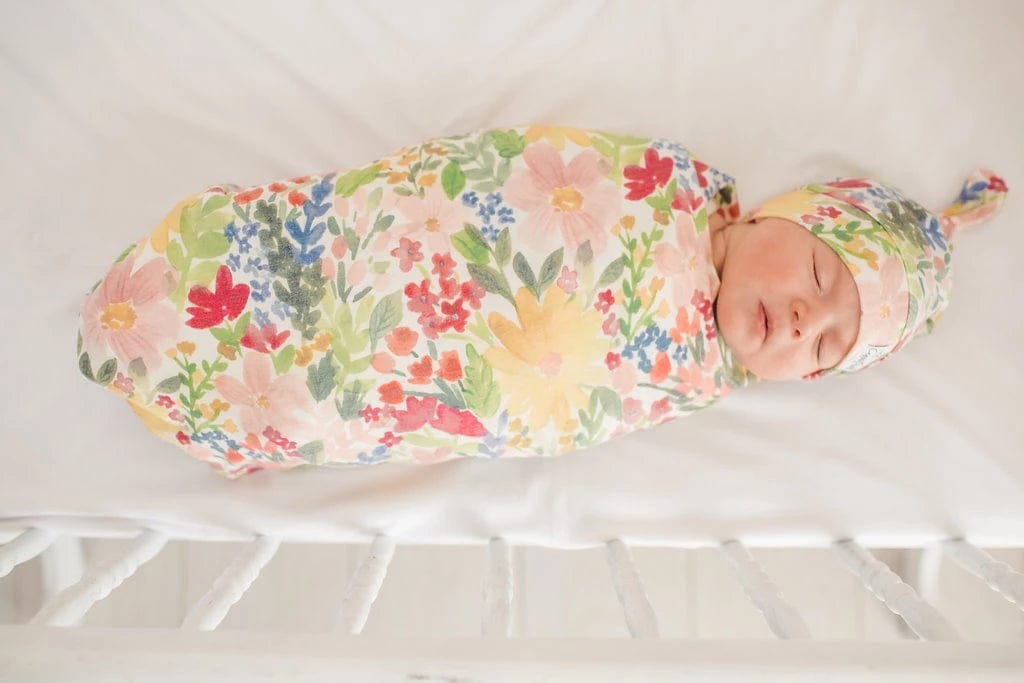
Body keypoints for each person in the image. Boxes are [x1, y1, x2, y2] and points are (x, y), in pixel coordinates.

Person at [76, 126, 1008, 477]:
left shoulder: (692, 378)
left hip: (415, 372)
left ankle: (255, 406)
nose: (806, 318)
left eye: (827, 346)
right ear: (775, 214)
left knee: (334, 393)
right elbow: (494, 171)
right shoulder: (664, 184)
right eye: (818, 273)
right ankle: (208, 283)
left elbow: (556, 409)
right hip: (391, 251)